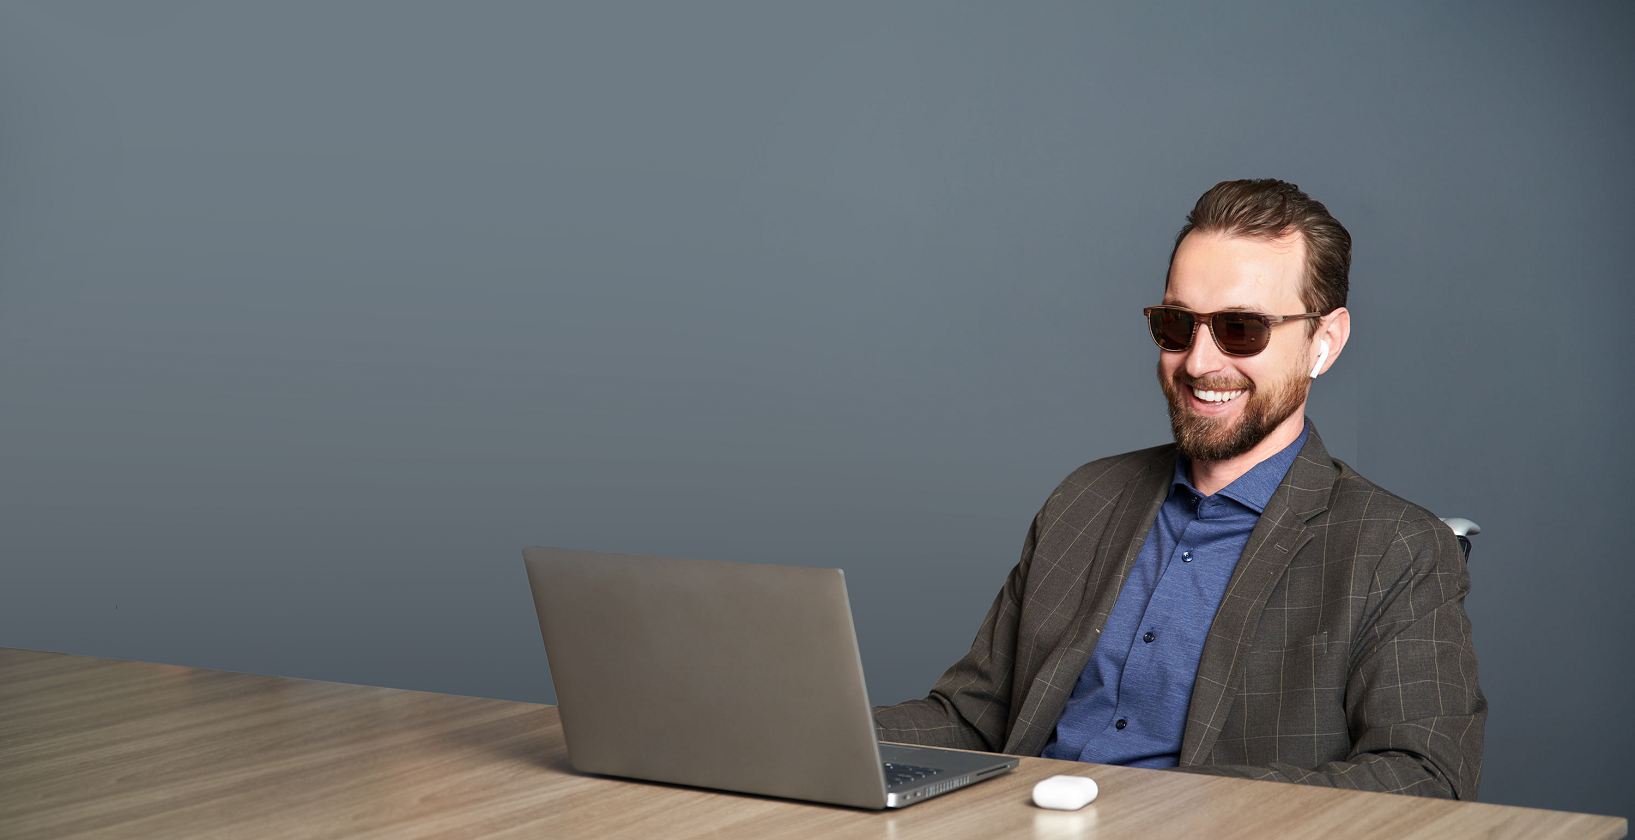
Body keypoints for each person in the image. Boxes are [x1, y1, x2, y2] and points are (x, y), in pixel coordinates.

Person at [873, 179, 1485, 799]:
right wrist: (813, 729)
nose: (1197, 362)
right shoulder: (1085, 500)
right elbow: (972, 721)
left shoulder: (1397, 550)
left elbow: (1425, 777)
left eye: (1240, 329)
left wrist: (1172, 807)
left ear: (1322, 343)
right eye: (1177, 324)